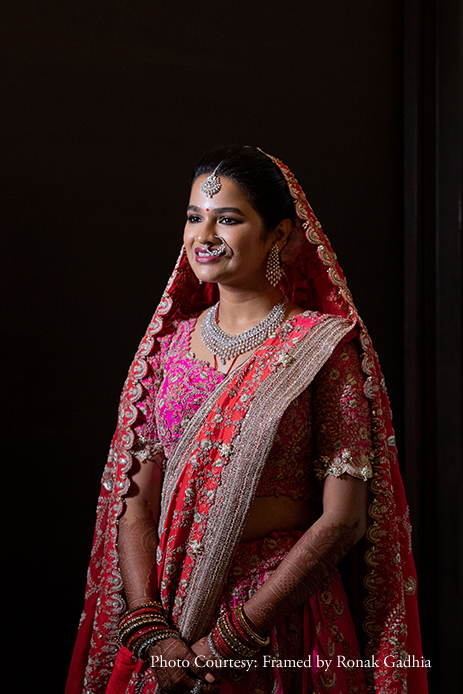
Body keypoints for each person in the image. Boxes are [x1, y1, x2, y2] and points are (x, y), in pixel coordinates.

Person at [66, 146, 428, 694]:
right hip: (168, 609)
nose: (204, 235)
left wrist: (235, 636)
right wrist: (148, 626)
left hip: (279, 618)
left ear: (278, 235)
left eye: (228, 219)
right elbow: (134, 501)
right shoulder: (167, 348)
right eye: (194, 217)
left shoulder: (322, 348)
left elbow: (344, 520)